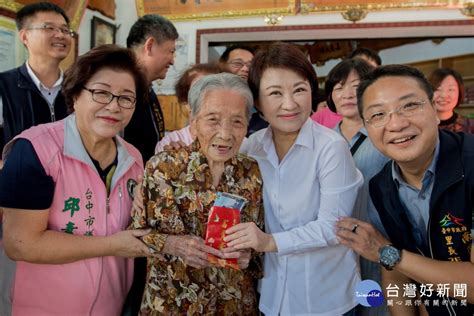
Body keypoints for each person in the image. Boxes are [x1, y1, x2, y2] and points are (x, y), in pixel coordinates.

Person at [0, 45, 153, 315]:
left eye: (126, 98)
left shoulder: (134, 159)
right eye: (101, 93)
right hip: (42, 308)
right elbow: (20, 243)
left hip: (112, 306)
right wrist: (114, 245)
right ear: (75, 94)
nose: (113, 106)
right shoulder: (35, 150)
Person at [224, 43, 364, 315]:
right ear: (258, 103)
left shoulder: (331, 148)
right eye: (275, 93)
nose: (290, 104)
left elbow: (331, 228)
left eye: (299, 90)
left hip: (326, 298)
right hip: (272, 295)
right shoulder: (251, 148)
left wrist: (267, 242)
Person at [336, 65, 474, 315]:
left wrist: (386, 253)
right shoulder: (382, 186)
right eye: (378, 114)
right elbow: (396, 278)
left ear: (435, 109)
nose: (396, 124)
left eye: (409, 106)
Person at [130, 73, 264, 314]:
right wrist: (174, 245)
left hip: (232, 303)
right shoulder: (164, 167)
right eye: (213, 119)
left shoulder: (251, 171)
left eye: (237, 122)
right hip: (173, 303)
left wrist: (249, 254)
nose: (225, 134)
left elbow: (259, 234)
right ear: (192, 119)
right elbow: (135, 236)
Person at [325, 58, 389, 316]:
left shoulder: (386, 133)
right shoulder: (323, 139)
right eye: (338, 87)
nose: (347, 93)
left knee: (374, 307)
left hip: (377, 240)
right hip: (334, 247)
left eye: (356, 85)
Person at [0, 2, 72, 163]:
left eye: (65, 30)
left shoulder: (78, 88)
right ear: (25, 36)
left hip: (72, 186)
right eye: (49, 28)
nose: (60, 35)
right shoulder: (3, 86)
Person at [125, 14, 179, 162]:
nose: (173, 61)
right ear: (149, 46)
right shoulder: (121, 91)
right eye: (171, 51)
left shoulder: (147, 88)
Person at [154, 62, 222, 153]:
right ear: (186, 102)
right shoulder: (170, 143)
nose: (208, 98)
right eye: (198, 92)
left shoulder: (240, 143)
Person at [429, 68, 474, 133]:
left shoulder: (470, 126)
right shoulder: (419, 125)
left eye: (451, 89)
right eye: (437, 89)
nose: (444, 95)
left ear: (460, 92)